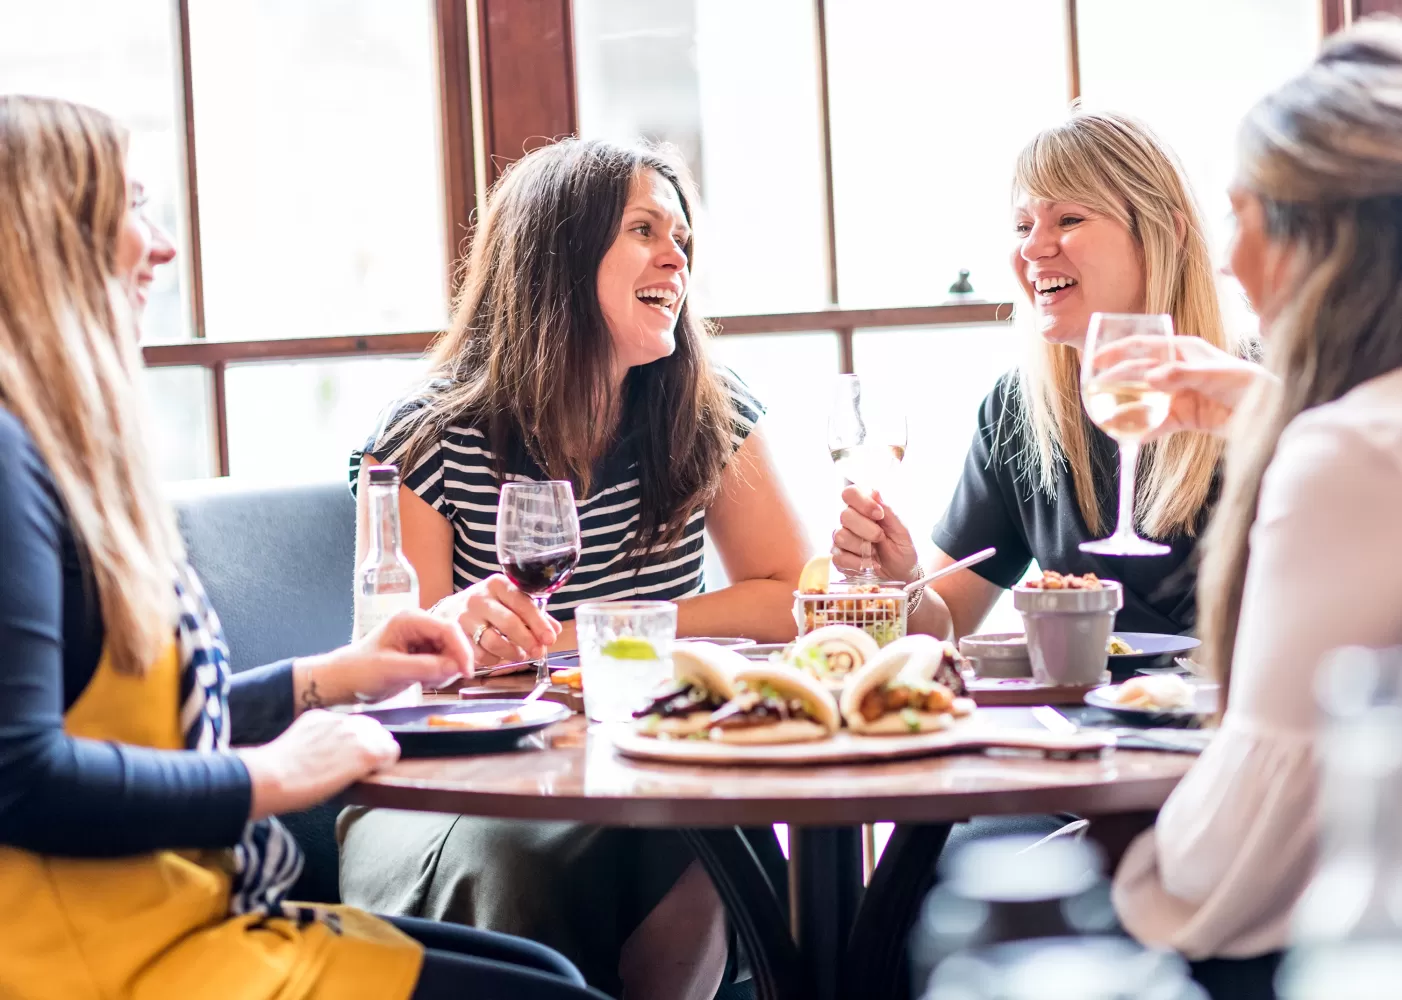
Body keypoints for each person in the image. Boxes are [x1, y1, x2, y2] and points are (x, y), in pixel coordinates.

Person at [0, 94, 611, 1000]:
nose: (162, 247)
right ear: (49, 233)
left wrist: (338, 675)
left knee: (550, 976)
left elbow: (136, 723)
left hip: (190, 921)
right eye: (132, 206)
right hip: (107, 961)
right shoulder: (10, 461)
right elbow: (19, 775)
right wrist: (271, 774)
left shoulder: (56, 452)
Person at [338, 138, 810, 999]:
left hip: (638, 769)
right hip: (461, 792)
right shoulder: (430, 434)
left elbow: (792, 600)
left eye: (684, 240)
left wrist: (613, 629)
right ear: (558, 253)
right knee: (523, 855)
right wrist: (454, 634)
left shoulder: (709, 414)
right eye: (643, 231)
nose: (677, 258)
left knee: (709, 824)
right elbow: (385, 664)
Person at [1112, 19, 1402, 999]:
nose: (1231, 259)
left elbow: (1233, 856)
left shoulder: (1346, 451)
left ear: (1326, 236)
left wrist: (1123, 863)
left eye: (1246, 215)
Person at [832, 111, 1244, 640]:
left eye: (1068, 220)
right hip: (1082, 721)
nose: (1032, 248)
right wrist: (902, 581)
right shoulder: (1018, 411)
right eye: (1023, 226)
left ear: (1164, 233)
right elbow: (947, 625)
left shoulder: (1249, 389)